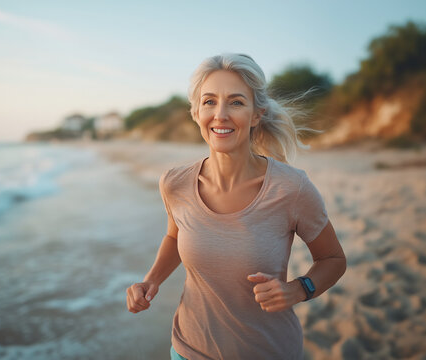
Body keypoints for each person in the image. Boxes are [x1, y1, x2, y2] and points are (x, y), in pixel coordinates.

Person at [125, 53, 346, 359]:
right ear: (195, 112)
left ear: (257, 114)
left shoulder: (291, 188)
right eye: (209, 101)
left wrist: (298, 289)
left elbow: (333, 259)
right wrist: (151, 280)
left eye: (237, 102)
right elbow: (176, 237)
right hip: (187, 350)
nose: (221, 114)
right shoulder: (174, 184)